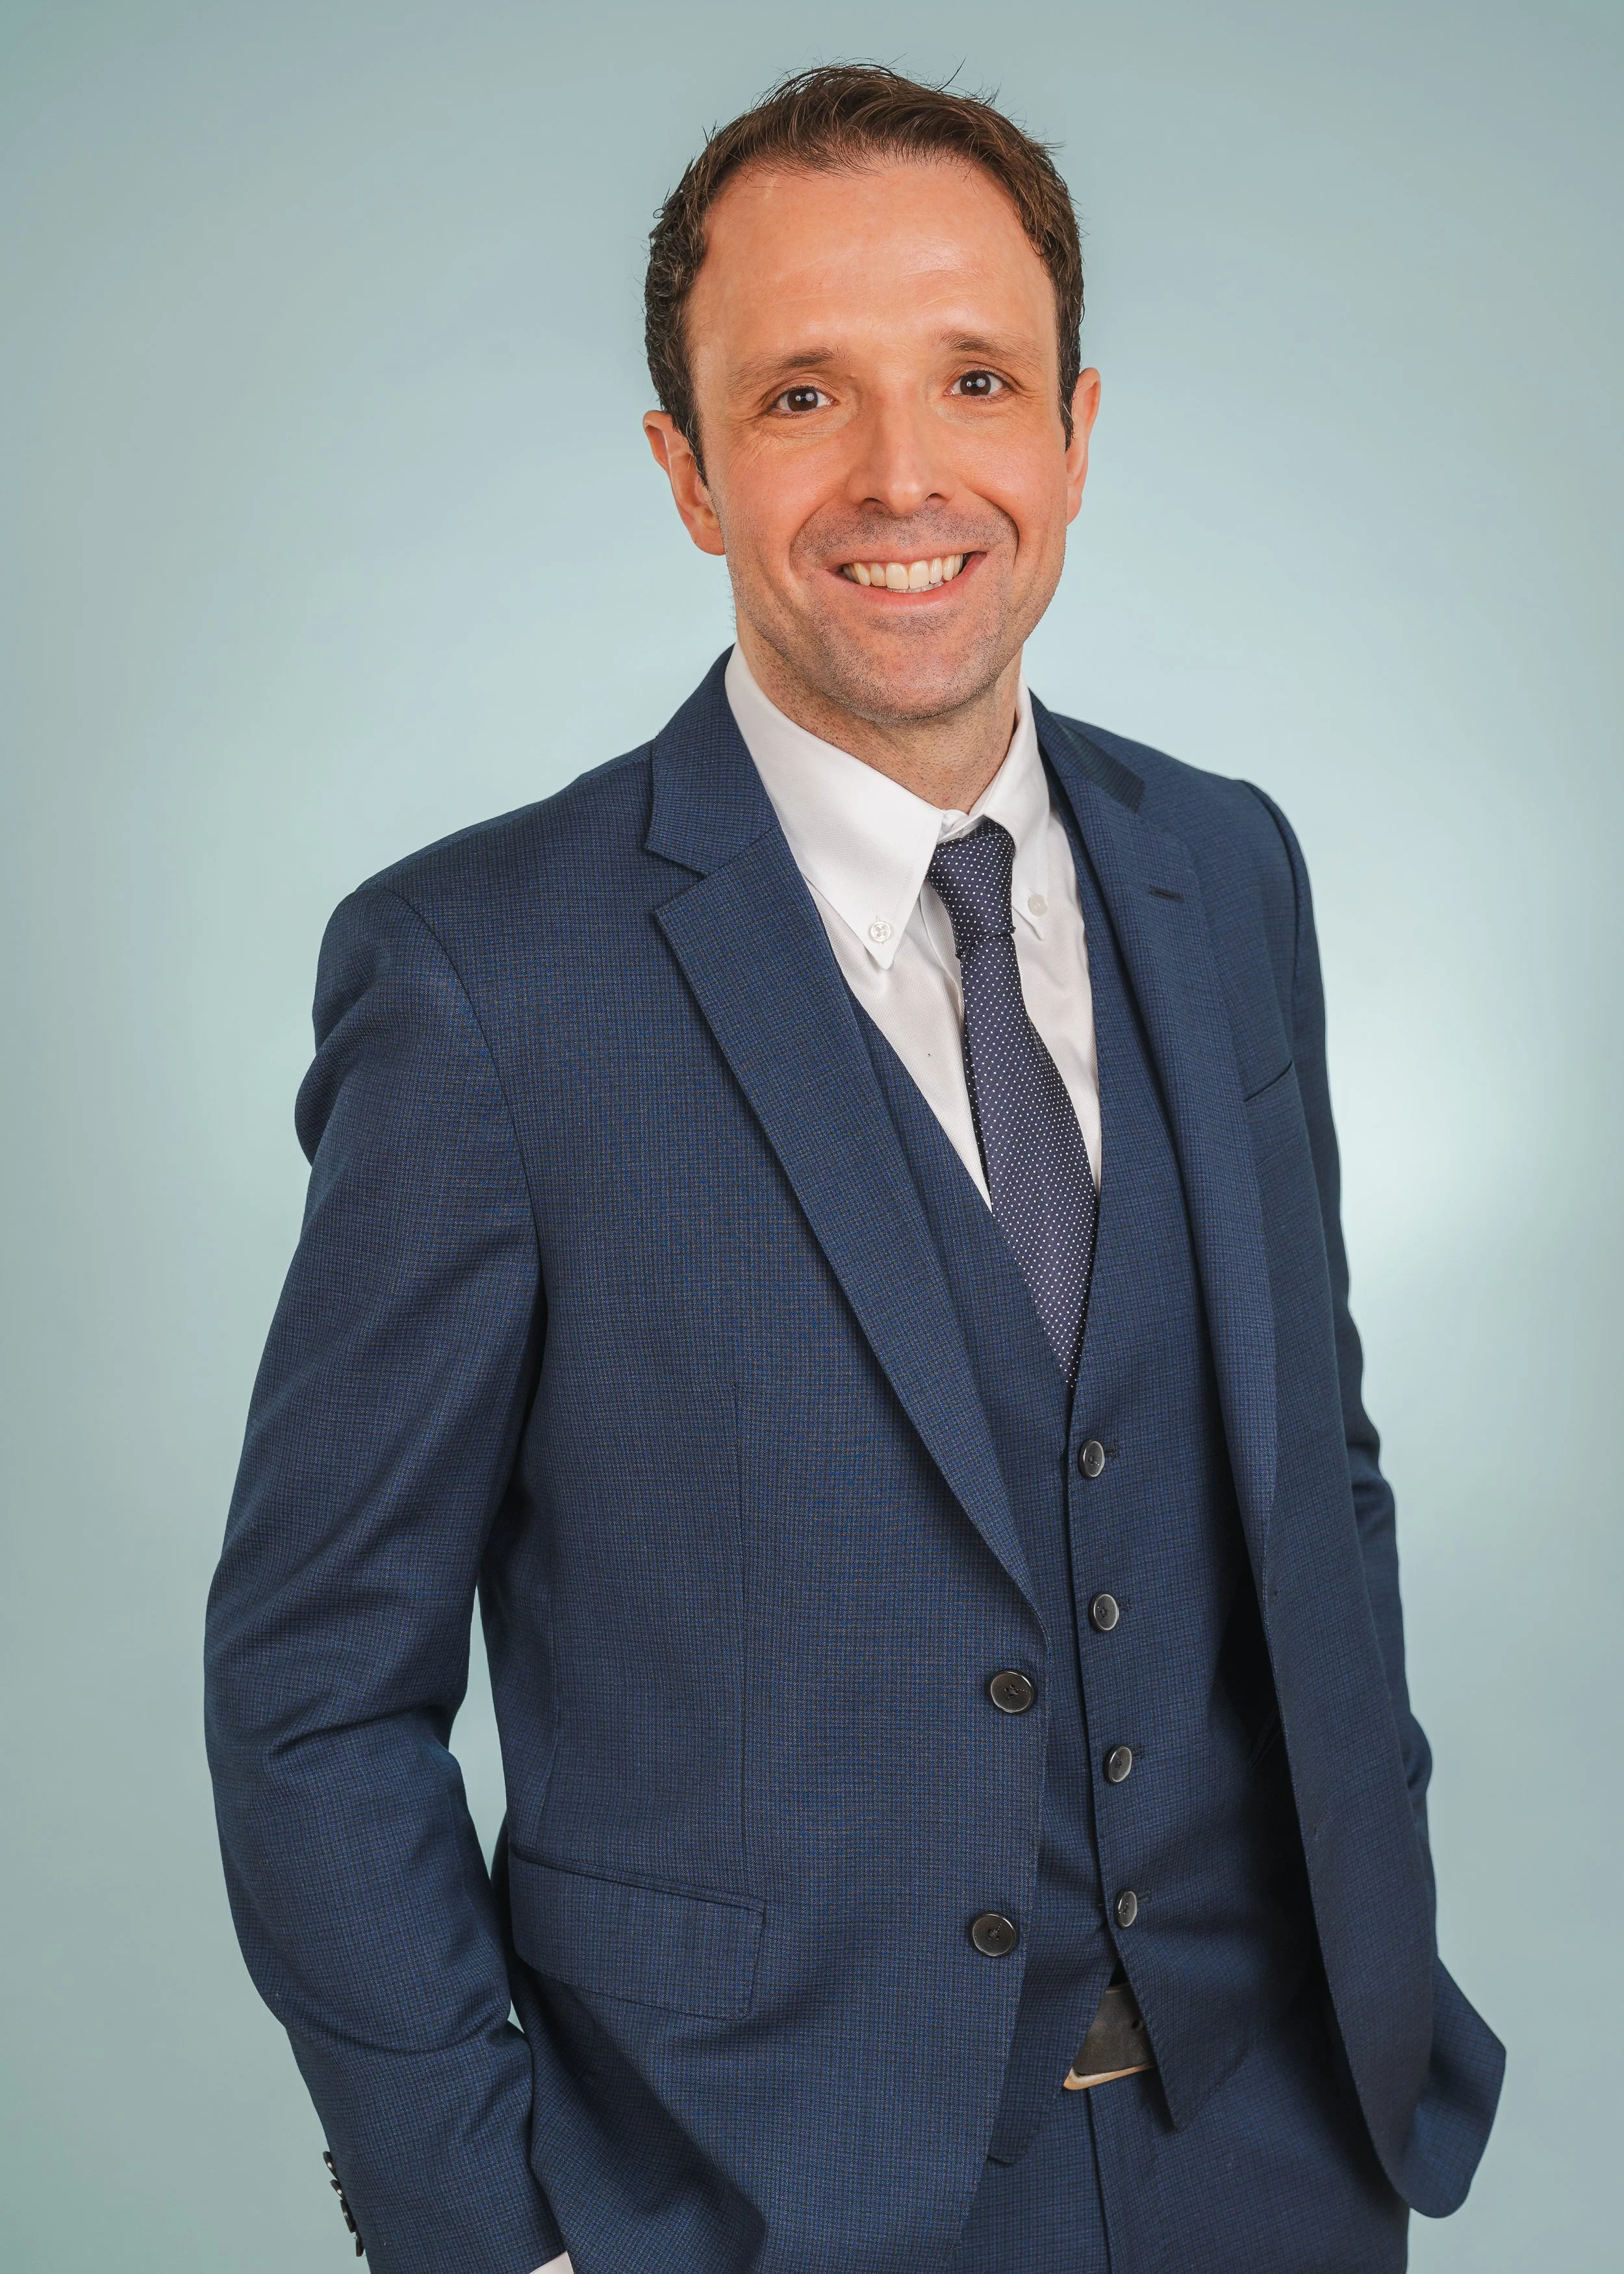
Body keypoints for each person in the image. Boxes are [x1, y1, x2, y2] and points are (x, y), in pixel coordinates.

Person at [205, 63, 1503, 2274]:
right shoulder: (482, 977)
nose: (905, 476)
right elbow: (317, 1678)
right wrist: (480, 2231)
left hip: (1281, 2153)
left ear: (1075, 433)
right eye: (801, 392)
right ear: (686, 472)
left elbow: (1311, 1469)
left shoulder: (1224, 861)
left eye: (974, 379)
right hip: (744, 2204)